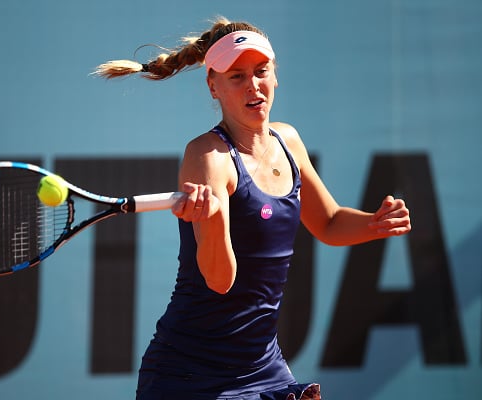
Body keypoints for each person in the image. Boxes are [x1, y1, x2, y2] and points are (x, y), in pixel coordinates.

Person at [95, 17, 411, 400]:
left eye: (261, 72)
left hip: (263, 364)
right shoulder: (207, 157)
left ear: (275, 75)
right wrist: (210, 221)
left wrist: (373, 224)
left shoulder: (288, 140)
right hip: (189, 373)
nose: (253, 86)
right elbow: (220, 281)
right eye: (236, 77)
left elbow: (328, 223)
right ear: (213, 85)